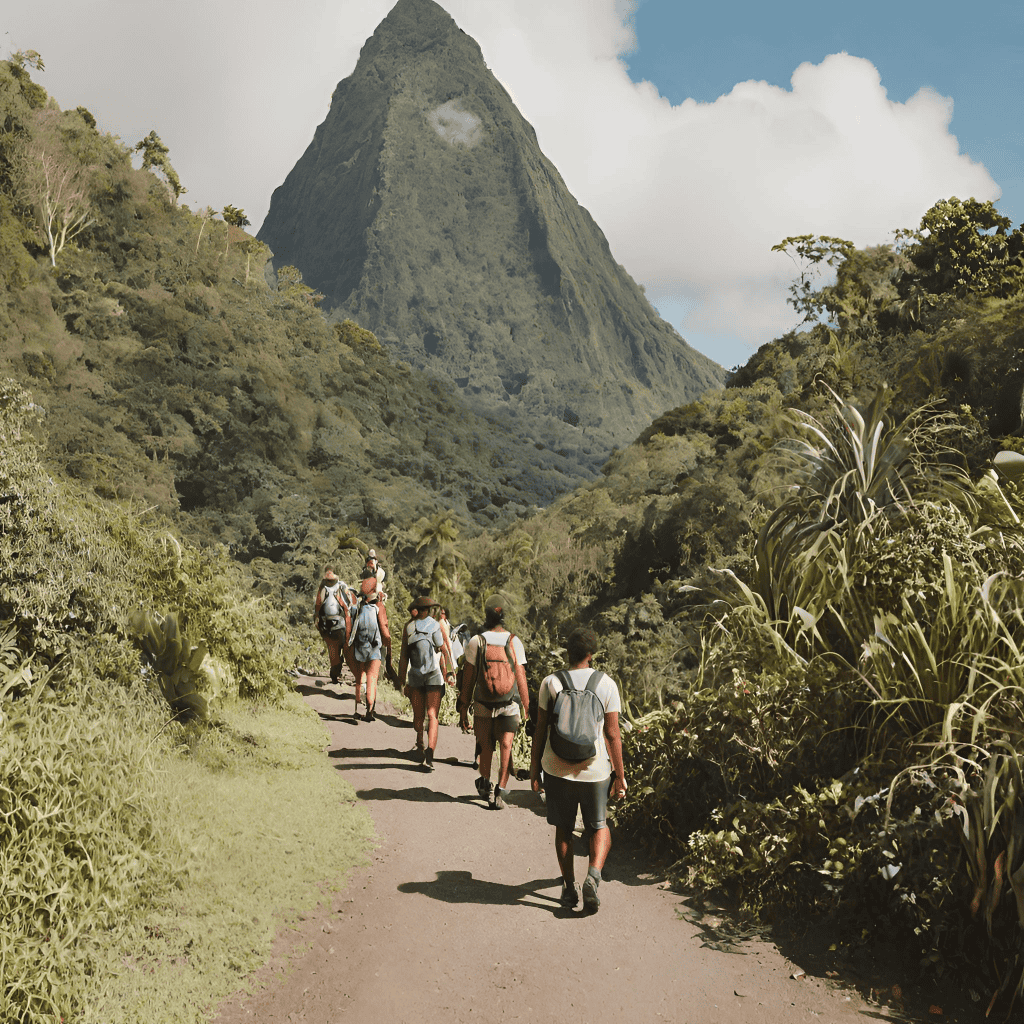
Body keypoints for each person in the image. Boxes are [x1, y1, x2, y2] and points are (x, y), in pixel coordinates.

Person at [530, 626, 626, 913]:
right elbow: (612, 735)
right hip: (594, 770)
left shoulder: (551, 682)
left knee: (564, 828)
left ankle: (569, 888)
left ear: (567, 652)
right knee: (599, 826)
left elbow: (539, 730)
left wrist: (535, 770)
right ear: (591, 654)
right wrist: (620, 776)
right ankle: (593, 877)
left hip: (556, 767)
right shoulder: (606, 684)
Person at [458, 595, 529, 810]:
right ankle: (500, 790)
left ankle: (487, 785)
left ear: (486, 615)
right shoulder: (514, 641)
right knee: (506, 745)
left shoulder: (476, 642)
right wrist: (527, 708)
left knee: (486, 747)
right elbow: (521, 677)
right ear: (504, 616)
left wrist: (463, 707)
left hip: (482, 703)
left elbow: (468, 679)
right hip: (509, 703)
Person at [398, 596, 455, 769]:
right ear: (428, 610)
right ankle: (425, 746)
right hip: (418, 677)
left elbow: (404, 657)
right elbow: (444, 649)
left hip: (431, 677)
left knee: (428, 716)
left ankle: (429, 751)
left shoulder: (427, 626)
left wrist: (449, 671)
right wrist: (402, 680)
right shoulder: (411, 627)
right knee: (423, 718)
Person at [346, 576, 390, 722]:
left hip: (359, 648)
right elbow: (384, 629)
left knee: (361, 678)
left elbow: (350, 628)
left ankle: (357, 710)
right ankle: (370, 711)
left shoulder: (356, 610)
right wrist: (387, 642)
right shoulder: (378, 609)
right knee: (372, 678)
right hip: (374, 649)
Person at [313, 567, 350, 684]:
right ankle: (339, 668)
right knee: (342, 646)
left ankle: (335, 672)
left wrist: (316, 618)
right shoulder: (342, 586)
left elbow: (318, 605)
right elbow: (348, 602)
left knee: (332, 650)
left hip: (328, 625)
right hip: (341, 624)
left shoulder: (323, 588)